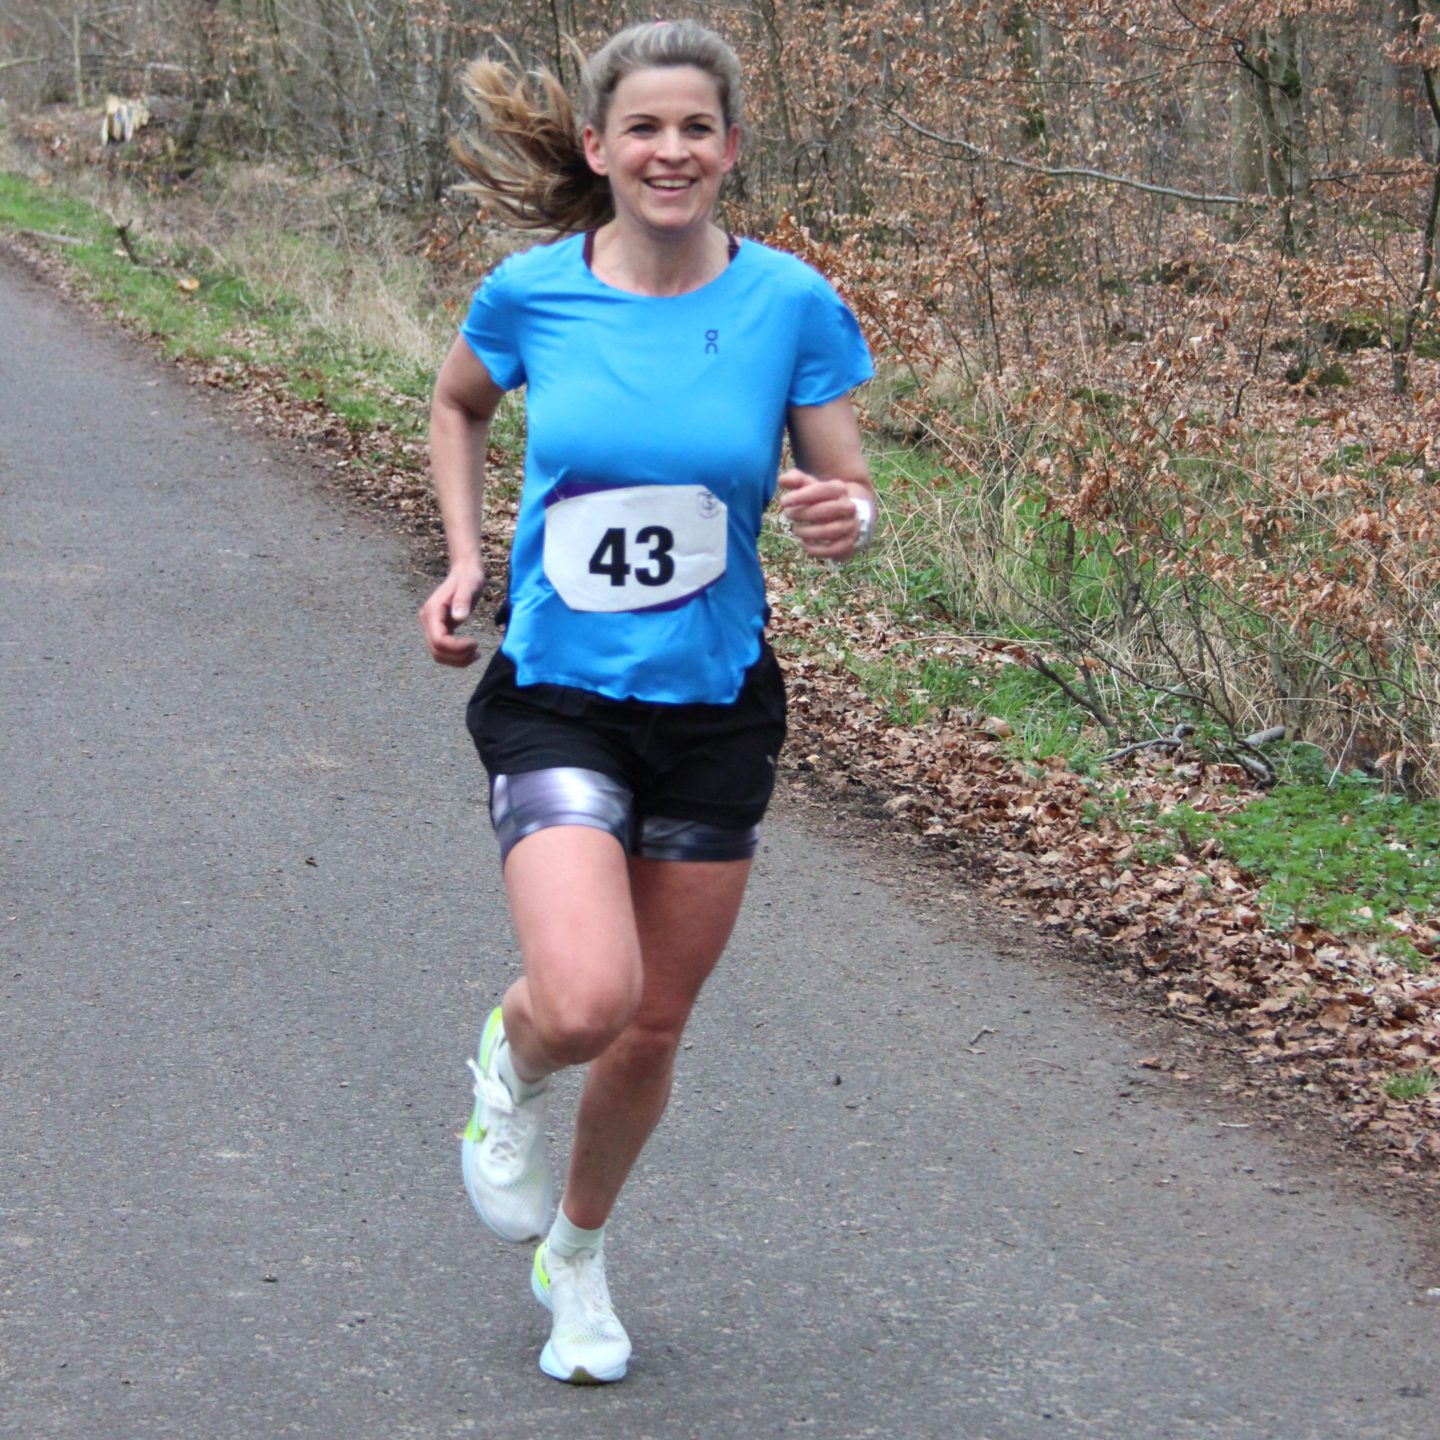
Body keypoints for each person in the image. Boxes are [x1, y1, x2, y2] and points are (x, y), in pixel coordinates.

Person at [419, 18, 876, 1385]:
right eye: (645, 128)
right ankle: (506, 1066)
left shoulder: (791, 303)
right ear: (598, 147)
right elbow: (457, 407)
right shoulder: (531, 293)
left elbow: (847, 490)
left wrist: (840, 517)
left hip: (719, 703)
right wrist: (463, 555)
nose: (669, 151)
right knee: (587, 997)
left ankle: (578, 1257)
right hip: (560, 693)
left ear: (730, 148)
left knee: (656, 1025)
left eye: (695, 129)